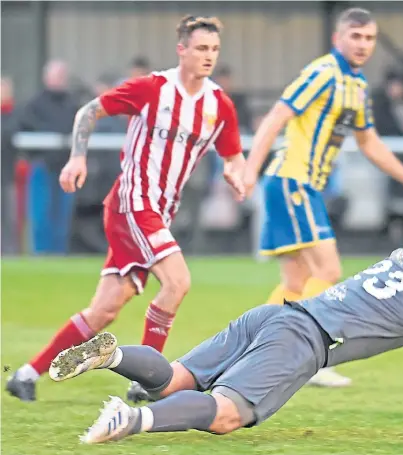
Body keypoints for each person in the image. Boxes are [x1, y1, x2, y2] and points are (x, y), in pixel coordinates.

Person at [49, 212, 403, 444]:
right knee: (225, 415)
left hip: (276, 315)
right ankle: (128, 421)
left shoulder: (402, 260)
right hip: (303, 341)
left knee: (175, 379)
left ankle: (113, 357)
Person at [6, 15, 246, 403]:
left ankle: (26, 375)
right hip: (133, 203)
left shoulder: (219, 105)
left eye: (214, 50)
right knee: (178, 281)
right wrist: (77, 158)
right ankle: (148, 380)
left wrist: (238, 174)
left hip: (157, 212)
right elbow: (88, 112)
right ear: (181, 49)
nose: (209, 56)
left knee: (103, 311)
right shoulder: (153, 88)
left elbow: (234, 156)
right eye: (201, 48)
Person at [242, 7, 403, 387]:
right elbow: (274, 118)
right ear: (339, 39)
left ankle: (248, 350)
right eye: (356, 37)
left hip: (302, 186)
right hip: (291, 181)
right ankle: (310, 359)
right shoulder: (322, 74)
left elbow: (368, 142)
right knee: (329, 272)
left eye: (369, 38)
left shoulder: (358, 86)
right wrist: (250, 169)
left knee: (296, 284)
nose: (363, 44)